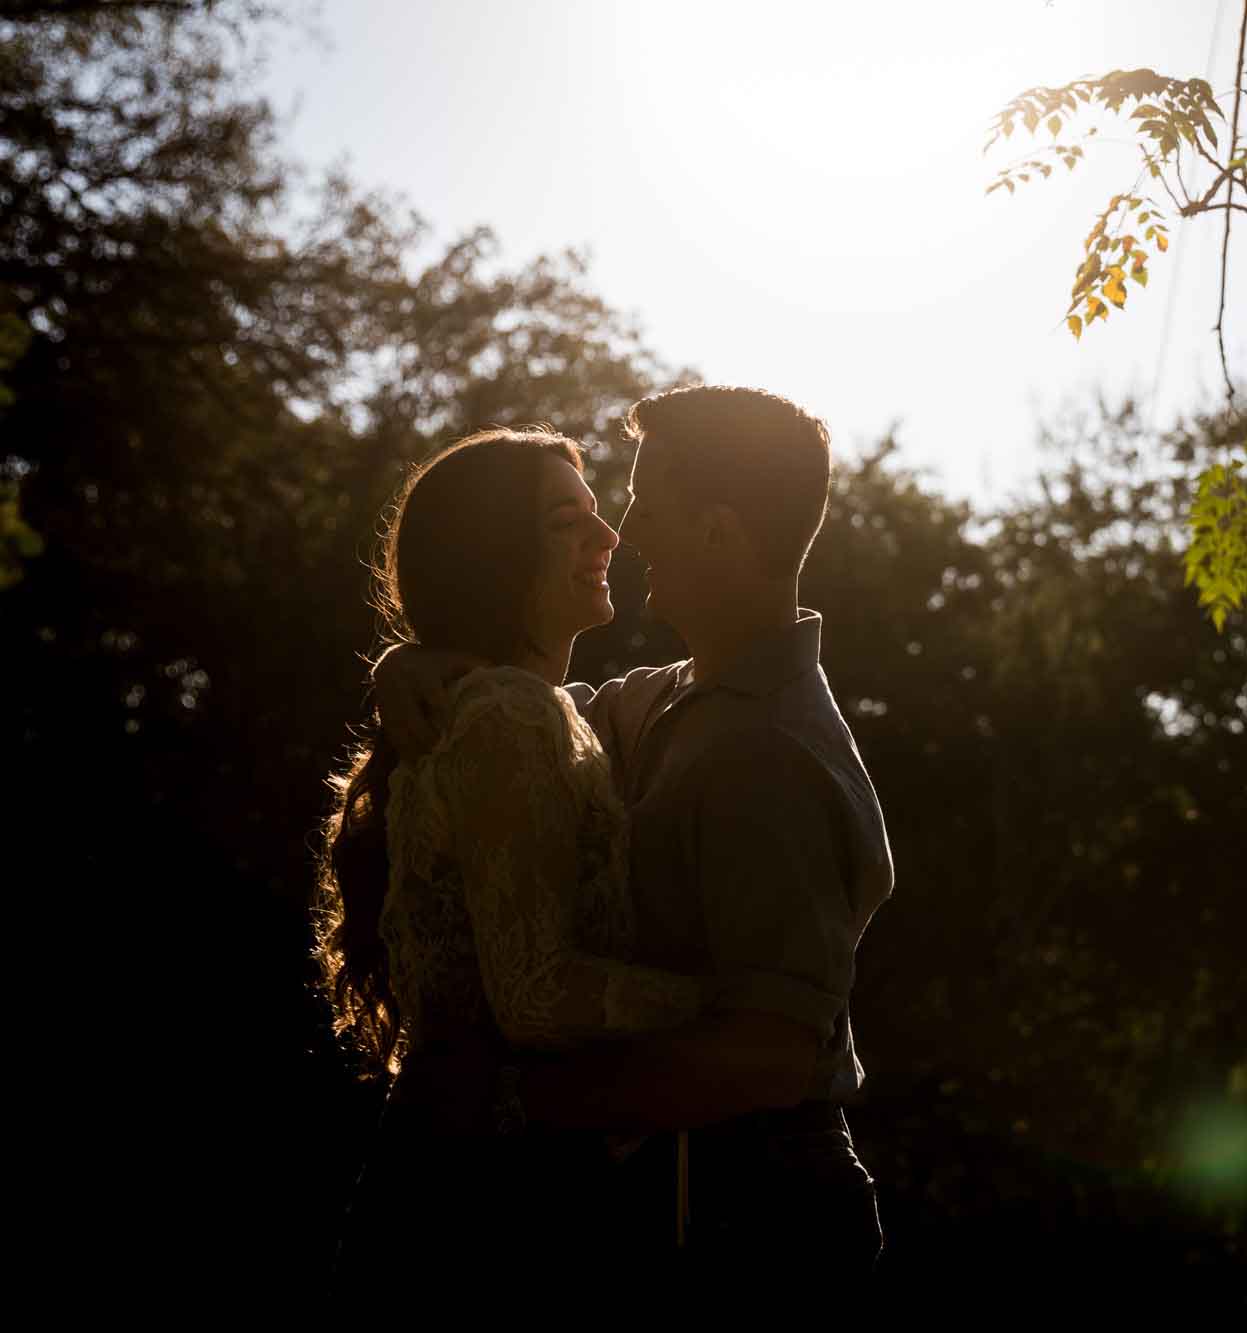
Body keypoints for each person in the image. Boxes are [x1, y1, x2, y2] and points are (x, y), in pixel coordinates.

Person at [373, 386, 894, 1294]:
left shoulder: (766, 752)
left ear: (718, 532)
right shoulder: (665, 695)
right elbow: (523, 733)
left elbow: (768, 1058)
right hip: (687, 1187)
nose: (627, 529)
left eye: (647, 503)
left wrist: (506, 1102)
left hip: (764, 1209)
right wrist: (413, 661)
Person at [315, 427, 708, 1302]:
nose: (609, 537)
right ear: (498, 555)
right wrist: (718, 1000)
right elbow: (533, 991)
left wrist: (403, 658)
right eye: (568, 521)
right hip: (492, 1204)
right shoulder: (507, 715)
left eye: (597, 514)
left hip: (468, 1173)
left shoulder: (527, 708)